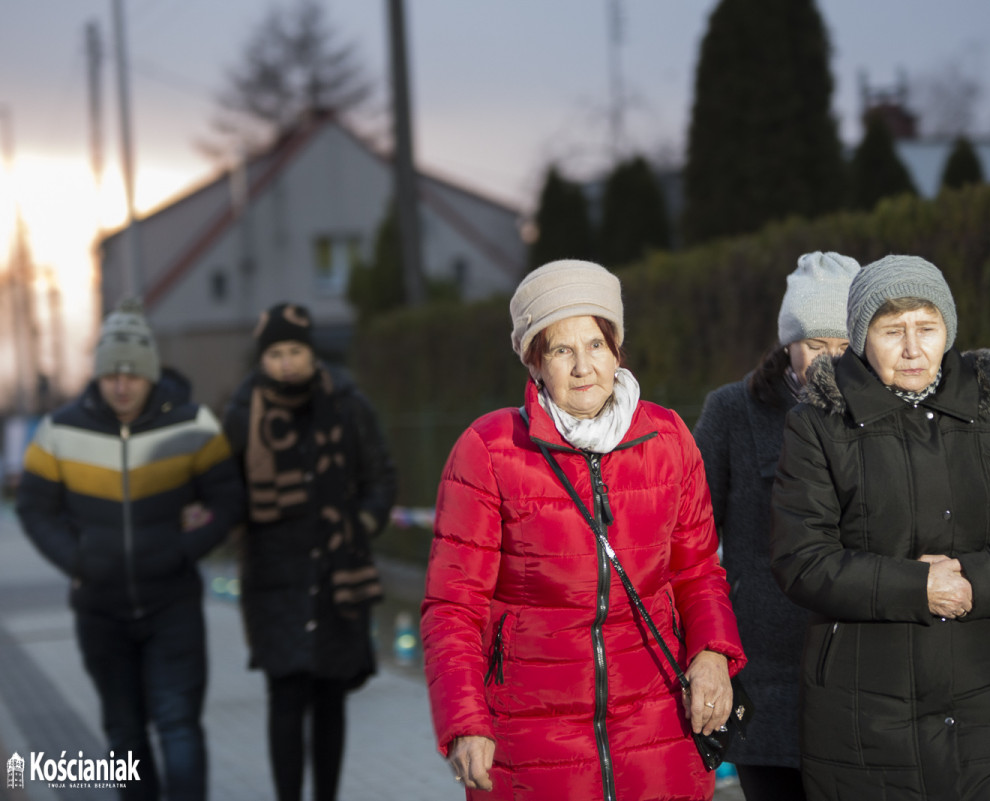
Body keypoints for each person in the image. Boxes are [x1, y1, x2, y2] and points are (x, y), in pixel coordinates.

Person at [421, 259, 747, 801]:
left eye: (595, 344)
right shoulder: (489, 450)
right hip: (531, 739)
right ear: (534, 363)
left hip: (659, 726)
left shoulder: (668, 438)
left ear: (616, 349)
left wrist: (713, 652)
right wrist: (465, 720)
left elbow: (698, 571)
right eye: (560, 350)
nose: (582, 367)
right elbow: (453, 606)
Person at [770, 255, 990, 800]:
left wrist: (972, 581)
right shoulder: (818, 423)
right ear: (862, 337)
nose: (914, 349)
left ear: (947, 330)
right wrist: (917, 588)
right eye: (893, 331)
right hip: (863, 705)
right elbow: (802, 560)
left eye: (927, 328)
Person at [17, 298, 243, 801]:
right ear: (97, 374)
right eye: (111, 374)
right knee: (124, 737)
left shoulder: (194, 425)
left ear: (150, 373)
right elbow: (35, 508)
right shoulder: (59, 432)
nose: (121, 385)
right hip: (100, 611)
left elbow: (228, 498)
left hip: (173, 605)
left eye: (133, 375)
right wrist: (76, 560)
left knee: (179, 725)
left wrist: (186, 549)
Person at [693, 251, 860, 800]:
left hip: (857, 668)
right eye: (814, 344)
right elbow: (688, 535)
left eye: (842, 346)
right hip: (763, 666)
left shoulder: (881, 415)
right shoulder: (731, 412)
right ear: (788, 340)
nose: (828, 362)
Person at [221, 303, 396, 801]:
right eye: (275, 352)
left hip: (337, 571)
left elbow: (379, 474)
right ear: (262, 358)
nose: (286, 361)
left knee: (329, 696)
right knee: (284, 695)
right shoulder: (241, 413)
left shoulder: (346, 403)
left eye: (295, 350)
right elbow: (224, 488)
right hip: (272, 577)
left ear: (312, 353)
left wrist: (362, 523)